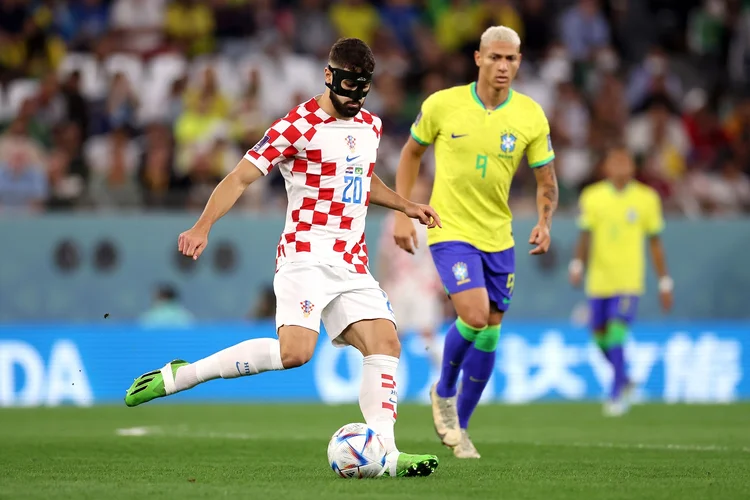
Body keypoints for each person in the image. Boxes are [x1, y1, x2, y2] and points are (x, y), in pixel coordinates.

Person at [124, 38, 442, 478]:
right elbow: (238, 178)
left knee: (385, 342)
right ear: (329, 77)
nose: (354, 97)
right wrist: (203, 225)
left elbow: (361, 180)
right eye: (347, 87)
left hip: (351, 260)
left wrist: (405, 205)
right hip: (306, 255)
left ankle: (385, 454)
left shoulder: (370, 125)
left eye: (362, 89)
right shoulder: (297, 125)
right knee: (295, 354)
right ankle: (184, 374)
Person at [393, 25, 559, 459]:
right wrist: (403, 211)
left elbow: (546, 180)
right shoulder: (442, 105)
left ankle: (461, 427)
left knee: (489, 333)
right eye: (496, 57)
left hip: (498, 235)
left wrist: (544, 221)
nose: (504, 66)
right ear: (478, 59)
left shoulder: (530, 116)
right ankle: (443, 390)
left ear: (519, 62)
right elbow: (411, 153)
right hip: (449, 229)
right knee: (474, 313)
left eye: (512, 59)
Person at [569, 146, 673, 417]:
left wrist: (664, 282)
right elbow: (584, 235)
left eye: (625, 162)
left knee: (616, 333)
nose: (620, 167)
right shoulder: (592, 196)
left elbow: (655, 243)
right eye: (614, 161)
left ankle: (616, 395)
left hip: (628, 280)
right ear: (605, 167)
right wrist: (577, 264)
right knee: (599, 337)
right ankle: (625, 379)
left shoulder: (647, 198)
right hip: (599, 279)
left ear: (633, 167)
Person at [378, 175, 444, 371]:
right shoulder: (393, 220)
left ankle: (448, 381)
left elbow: (438, 254)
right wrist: (382, 285)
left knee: (428, 334)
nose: (416, 192)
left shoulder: (432, 219)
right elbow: (385, 254)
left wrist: (441, 284)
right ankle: (387, 381)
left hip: (425, 286)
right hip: (398, 284)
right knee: (393, 335)